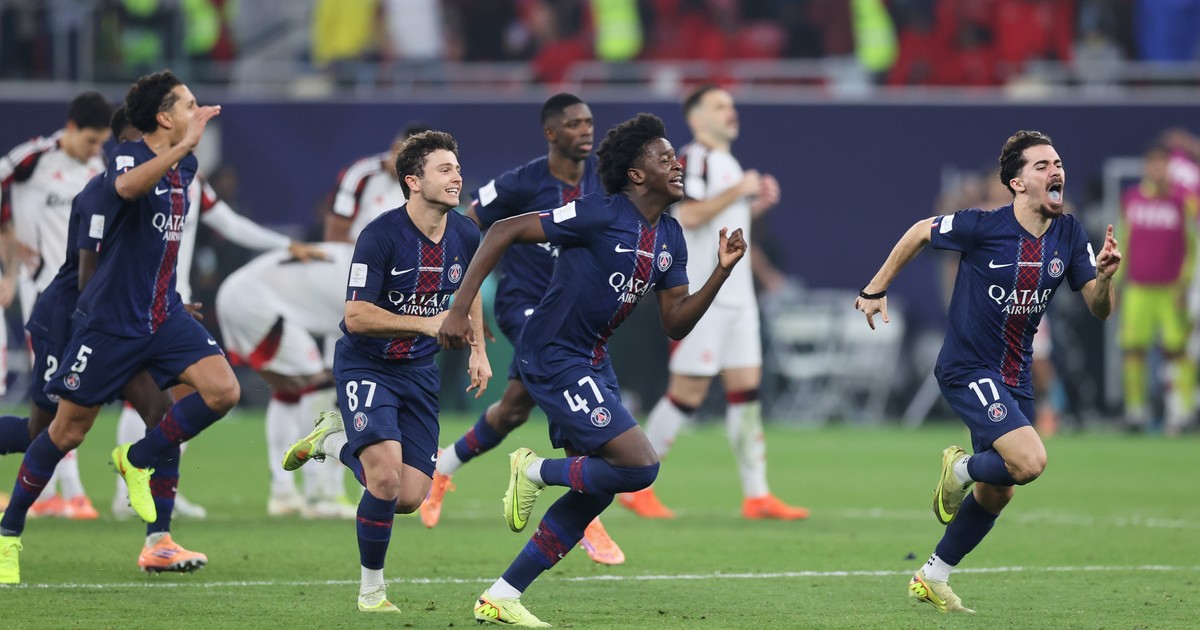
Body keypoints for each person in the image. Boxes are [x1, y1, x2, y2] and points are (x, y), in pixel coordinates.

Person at [438, 113, 747, 627]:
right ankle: (532, 470)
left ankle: (501, 595)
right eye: (665, 158)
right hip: (553, 352)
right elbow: (504, 229)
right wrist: (459, 309)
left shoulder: (670, 235)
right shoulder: (599, 212)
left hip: (591, 357)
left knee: (599, 488)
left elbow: (675, 323)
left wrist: (721, 271)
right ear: (636, 174)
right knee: (640, 466)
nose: (677, 165)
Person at [854, 130, 1121, 613]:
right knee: (1031, 462)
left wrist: (1103, 278)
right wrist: (875, 288)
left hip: (1015, 374)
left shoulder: (1069, 234)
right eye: (1042, 165)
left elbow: (1100, 309)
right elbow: (920, 232)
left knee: (999, 491)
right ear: (1017, 183)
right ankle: (958, 468)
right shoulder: (982, 225)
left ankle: (932, 575)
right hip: (967, 367)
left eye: (1058, 163)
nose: (1056, 171)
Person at [0, 70, 239, 585]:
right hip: (102, 322)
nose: (199, 112)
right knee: (60, 431)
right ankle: (8, 534)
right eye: (189, 104)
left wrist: (171, 297)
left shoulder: (186, 165)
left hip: (161, 316)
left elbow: (155, 249)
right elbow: (119, 207)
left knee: (218, 393)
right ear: (164, 119)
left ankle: (151, 510)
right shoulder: (122, 166)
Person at [281, 130, 491, 613]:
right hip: (367, 365)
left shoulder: (465, 233)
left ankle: (332, 441)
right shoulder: (380, 235)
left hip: (418, 371)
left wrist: (478, 348)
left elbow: (470, 288)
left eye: (457, 169)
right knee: (385, 480)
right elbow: (356, 316)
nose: (456, 177)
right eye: (445, 169)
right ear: (413, 181)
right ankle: (372, 591)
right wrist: (426, 323)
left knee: (410, 497)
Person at [418, 93, 624, 564]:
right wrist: (463, 302)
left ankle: (442, 466)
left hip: (576, 310)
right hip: (526, 307)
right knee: (567, 373)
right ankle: (586, 513)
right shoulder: (521, 182)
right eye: (574, 123)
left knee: (513, 408)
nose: (586, 130)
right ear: (551, 133)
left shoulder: (603, 179)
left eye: (589, 122)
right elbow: (468, 226)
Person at [107, 105, 328, 520]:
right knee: (134, 400)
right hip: (140, 304)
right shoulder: (131, 180)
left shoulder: (188, 175)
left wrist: (285, 245)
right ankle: (122, 493)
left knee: (187, 397)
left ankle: (155, 487)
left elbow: (229, 222)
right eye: (185, 109)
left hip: (175, 303)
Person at [621, 84, 807, 521]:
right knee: (686, 393)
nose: (730, 112)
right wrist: (739, 190)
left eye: (731, 105)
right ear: (696, 118)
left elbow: (718, 218)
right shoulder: (693, 158)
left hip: (739, 298)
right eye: (719, 106)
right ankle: (637, 486)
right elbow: (687, 214)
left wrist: (752, 206)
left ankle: (757, 494)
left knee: (746, 392)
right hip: (705, 297)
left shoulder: (726, 162)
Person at [0, 91, 112, 519]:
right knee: (59, 393)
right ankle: (65, 491)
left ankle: (53, 492)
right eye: (90, 140)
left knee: (67, 392)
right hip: (43, 296)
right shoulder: (35, 158)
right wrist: (9, 241)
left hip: (84, 297)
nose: (95, 149)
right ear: (70, 127)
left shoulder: (97, 167)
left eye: (101, 142)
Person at [216, 242, 356, 518]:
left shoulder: (355, 255)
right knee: (318, 384)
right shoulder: (367, 280)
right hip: (254, 302)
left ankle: (283, 492)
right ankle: (317, 494)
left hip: (238, 294)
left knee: (290, 389)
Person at [1118, 144, 1197, 435]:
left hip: (1171, 290)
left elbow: (1192, 246)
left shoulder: (1183, 201)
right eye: (1153, 164)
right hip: (1138, 289)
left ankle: (1182, 412)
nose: (1157, 170)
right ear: (1146, 168)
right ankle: (1135, 412)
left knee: (1177, 349)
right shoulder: (1132, 199)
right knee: (1133, 349)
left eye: (1162, 164)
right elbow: (1124, 240)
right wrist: (1116, 283)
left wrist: (1184, 284)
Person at [325, 122, 430, 243]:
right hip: (354, 251)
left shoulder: (431, 186)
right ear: (395, 148)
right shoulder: (359, 175)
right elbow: (335, 237)